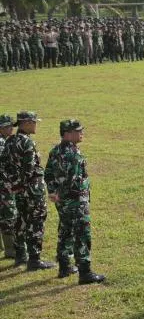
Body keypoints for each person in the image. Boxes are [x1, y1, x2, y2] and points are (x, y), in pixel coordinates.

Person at [44, 120, 105, 283]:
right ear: (68, 133)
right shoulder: (73, 154)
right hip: (76, 201)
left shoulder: (55, 150)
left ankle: (65, 267)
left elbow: (48, 173)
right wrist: (64, 195)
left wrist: (53, 192)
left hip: (62, 202)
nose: (81, 133)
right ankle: (85, 272)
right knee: (82, 235)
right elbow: (70, 180)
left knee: (65, 231)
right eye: (78, 131)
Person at [3, 111, 56, 270]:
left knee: (21, 221)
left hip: (18, 190)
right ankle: (34, 260)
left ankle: (20, 256)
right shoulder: (27, 143)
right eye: (34, 122)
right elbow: (29, 168)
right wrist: (24, 183)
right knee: (37, 221)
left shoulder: (10, 141)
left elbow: (4, 165)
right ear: (25, 123)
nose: (36, 125)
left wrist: (15, 184)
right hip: (33, 189)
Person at [0, 113, 17, 257]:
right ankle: (11, 250)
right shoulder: (2, 143)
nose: (11, 129)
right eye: (8, 126)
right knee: (8, 215)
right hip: (3, 185)